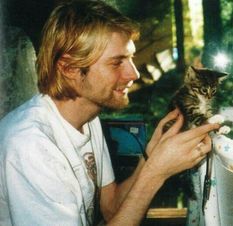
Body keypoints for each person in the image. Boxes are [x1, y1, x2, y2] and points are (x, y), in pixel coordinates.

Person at [0, 1, 219, 226]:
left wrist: (150, 157)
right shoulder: (30, 146)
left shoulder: (89, 118)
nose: (133, 73)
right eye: (117, 63)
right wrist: (155, 173)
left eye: (131, 58)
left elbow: (112, 208)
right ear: (70, 69)